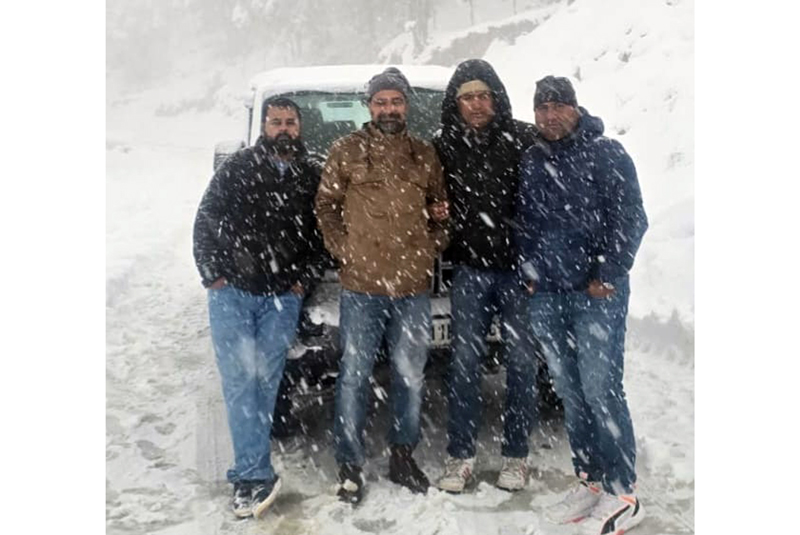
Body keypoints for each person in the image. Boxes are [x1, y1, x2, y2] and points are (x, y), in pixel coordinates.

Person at [515, 76, 648, 534]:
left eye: (558, 106)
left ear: (575, 107)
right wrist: (528, 272)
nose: (550, 116)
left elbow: (631, 216)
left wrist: (606, 274)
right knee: (571, 394)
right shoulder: (532, 159)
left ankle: (623, 492)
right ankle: (591, 480)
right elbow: (526, 222)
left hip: (596, 296)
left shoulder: (606, 152)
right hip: (548, 295)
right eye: (542, 108)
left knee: (601, 390)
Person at [315, 67, 449, 505]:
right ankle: (349, 464)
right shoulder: (345, 151)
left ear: (405, 106)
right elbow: (326, 207)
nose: (388, 109)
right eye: (381, 102)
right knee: (353, 376)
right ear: (369, 106)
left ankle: (402, 455)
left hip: (412, 288)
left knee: (410, 376)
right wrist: (344, 250)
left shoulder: (425, 155)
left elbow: (441, 209)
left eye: (395, 101)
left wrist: (430, 248)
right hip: (361, 287)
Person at [192, 96, 326, 519]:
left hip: (282, 298)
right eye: (275, 123)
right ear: (263, 128)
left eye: (289, 122)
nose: (283, 129)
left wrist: (305, 277)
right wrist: (213, 271)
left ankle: (253, 469)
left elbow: (325, 232)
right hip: (232, 293)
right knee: (238, 382)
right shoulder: (238, 168)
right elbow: (206, 217)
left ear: (299, 128)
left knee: (264, 383)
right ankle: (251, 474)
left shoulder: (312, 174)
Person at [432, 59, 541, 494]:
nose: (476, 105)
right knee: (463, 365)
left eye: (483, 96)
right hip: (470, 271)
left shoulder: (524, 139)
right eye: (467, 97)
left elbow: (548, 196)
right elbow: (427, 192)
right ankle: (461, 456)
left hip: (517, 272)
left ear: (495, 98)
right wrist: (433, 209)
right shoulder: (442, 145)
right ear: (455, 103)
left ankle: (516, 456)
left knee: (520, 364)